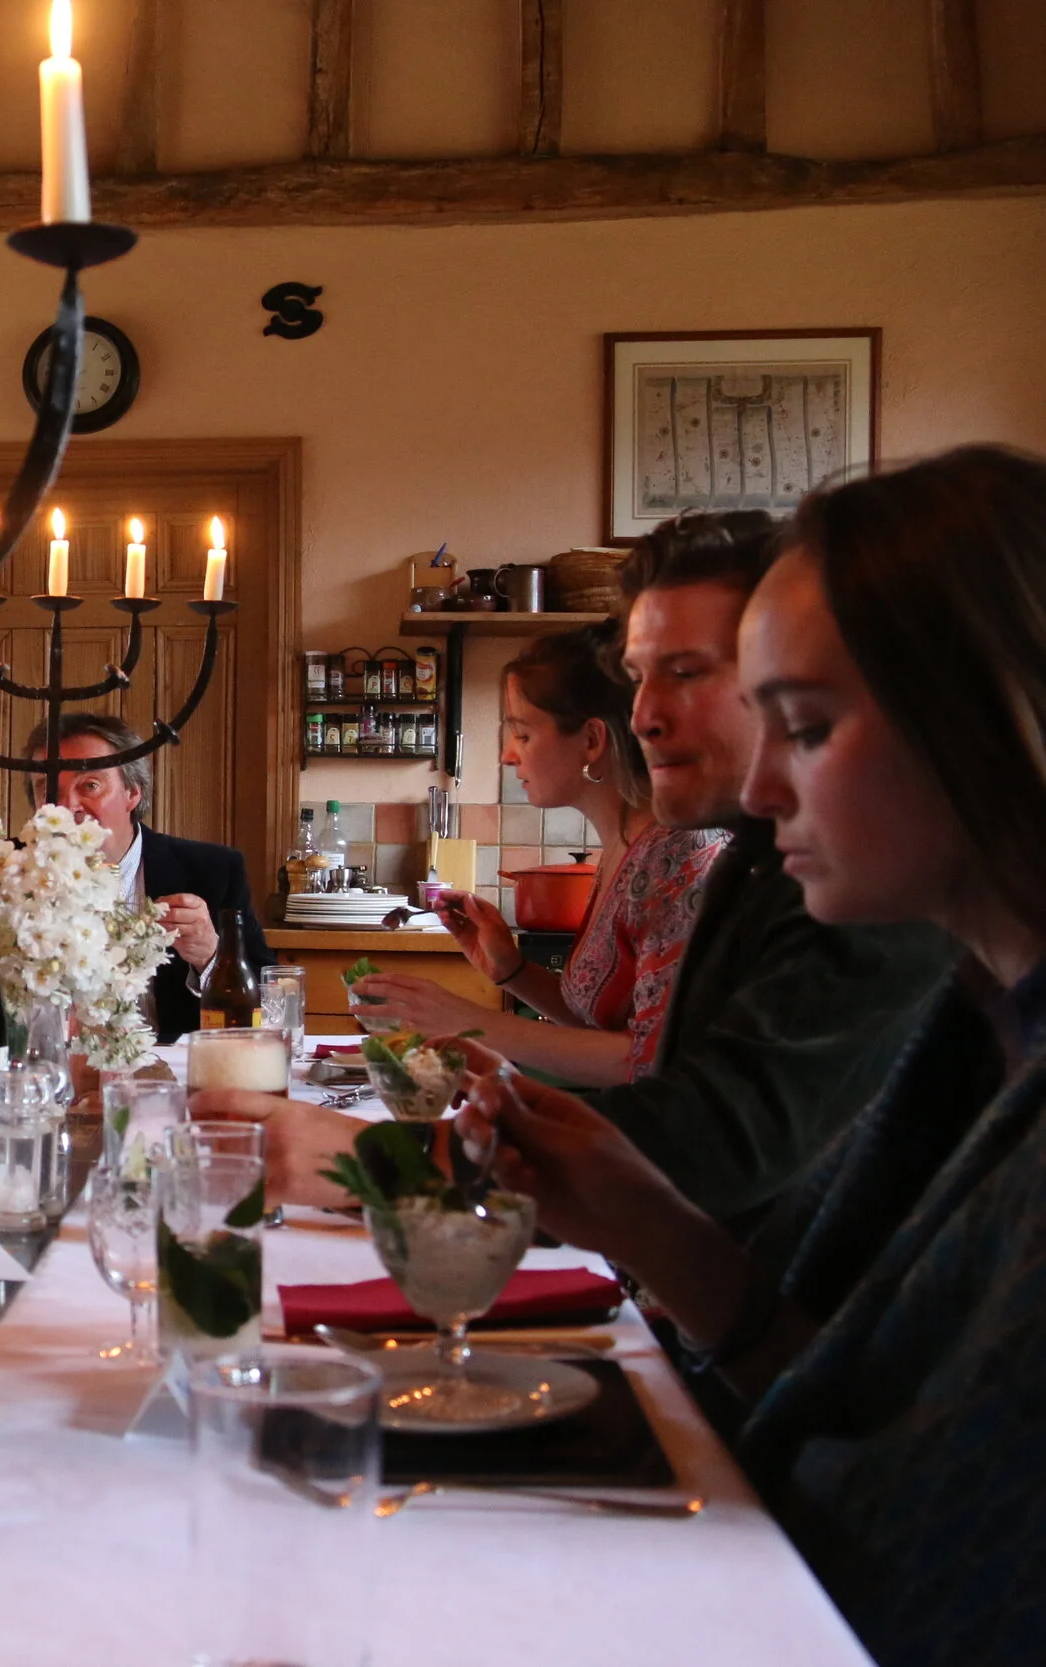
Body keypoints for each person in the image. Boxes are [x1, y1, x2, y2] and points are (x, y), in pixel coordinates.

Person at [453, 445, 1046, 1667]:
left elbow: (915, 1556)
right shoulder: (982, 1022)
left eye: (809, 726)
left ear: (990, 713)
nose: (766, 786)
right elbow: (828, 1385)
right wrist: (651, 1224)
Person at [205, 512, 952, 1225]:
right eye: (638, 677)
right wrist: (503, 998)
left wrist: (400, 1156)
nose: (645, 715)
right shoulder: (748, 857)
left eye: (686, 671)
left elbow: (708, 1135)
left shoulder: (851, 882)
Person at [354, 623, 724, 1085]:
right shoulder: (621, 849)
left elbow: (652, 1059)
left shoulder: (678, 855)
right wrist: (512, 970)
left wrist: (464, 1021)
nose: (508, 756)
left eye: (523, 735)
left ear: (592, 740)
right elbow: (596, 1024)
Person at [27, 713, 271, 1044]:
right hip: (43, 1075)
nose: (69, 806)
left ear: (132, 793)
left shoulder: (211, 871)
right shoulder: (4, 875)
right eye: (48, 790)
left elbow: (270, 1004)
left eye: (91, 785)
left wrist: (213, 957)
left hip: (170, 1076)